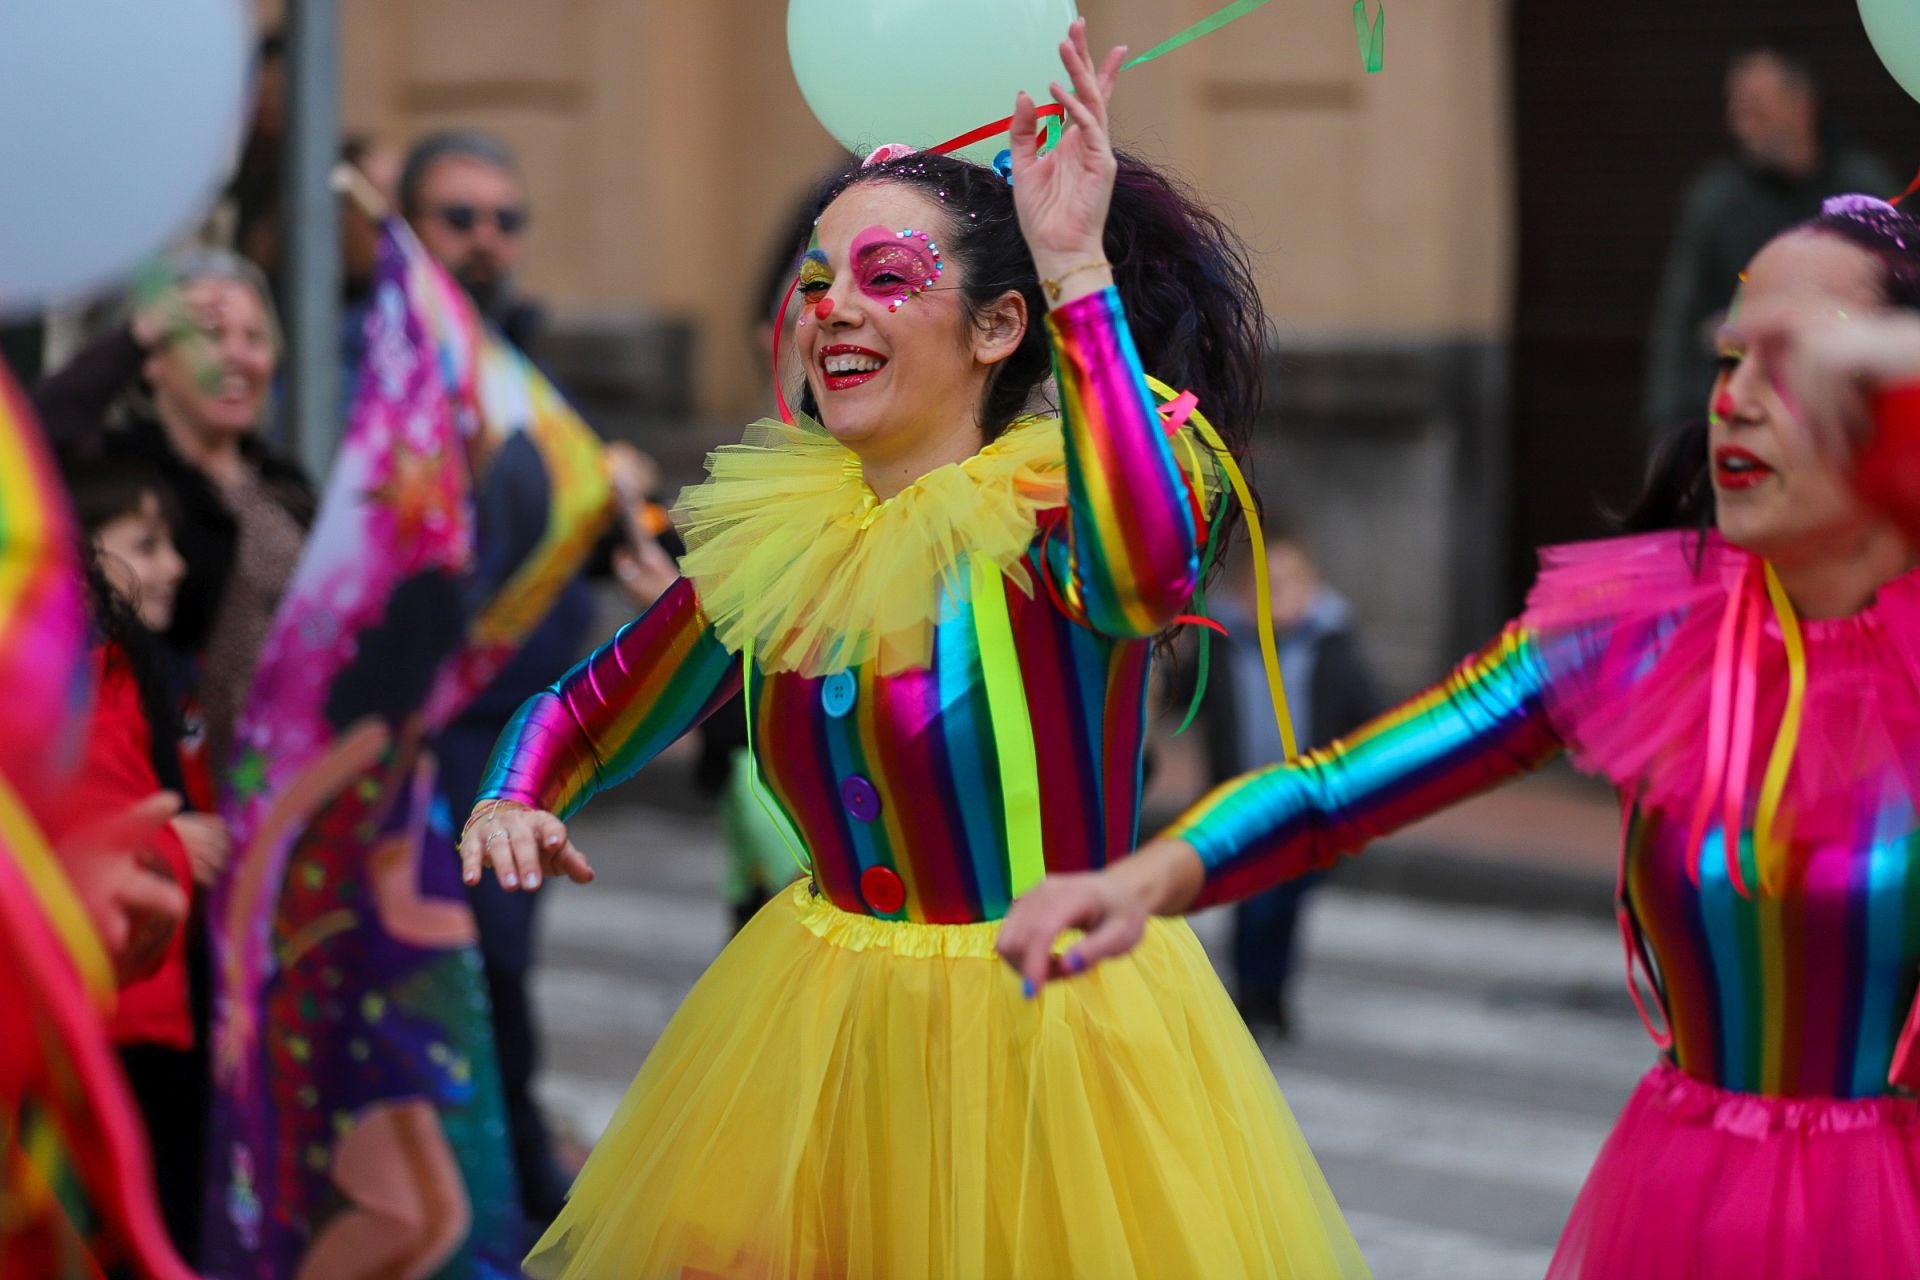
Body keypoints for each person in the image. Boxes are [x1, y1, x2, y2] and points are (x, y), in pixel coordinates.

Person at [460, 22, 1368, 1278]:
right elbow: (593, 707)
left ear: (999, 328)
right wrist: (516, 793)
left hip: (1053, 1046)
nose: (832, 305)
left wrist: (1075, 273)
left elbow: (1148, 572)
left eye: (884, 276)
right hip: (814, 1039)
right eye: (818, 276)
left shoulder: (1068, 491)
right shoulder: (785, 530)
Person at [1001, 193, 1920, 1279]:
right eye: (1729, 361)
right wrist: (1145, 879)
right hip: (1689, 1201)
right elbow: (1337, 790)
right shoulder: (1645, 632)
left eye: (1798, 363)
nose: (1738, 403)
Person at [33, 249, 313, 774]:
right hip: (166, 779)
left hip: (288, 792)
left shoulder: (285, 481)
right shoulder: (118, 471)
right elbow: (24, 446)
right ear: (154, 361)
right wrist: (134, 338)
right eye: (209, 334)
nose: (236, 356)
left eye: (254, 339)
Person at [63, 453, 229, 1263]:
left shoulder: (137, 669)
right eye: (146, 542)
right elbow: (64, 827)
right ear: (83, 552)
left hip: (156, 991)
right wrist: (167, 837)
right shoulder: (80, 676)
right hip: (116, 1000)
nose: (174, 565)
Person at [1643, 44, 1895, 439]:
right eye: (1737, 107)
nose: (1742, 123)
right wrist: (1669, 421)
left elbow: (1898, 300)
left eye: (1756, 106)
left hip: (1841, 414)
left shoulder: (1864, 188)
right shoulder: (1716, 201)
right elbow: (1680, 316)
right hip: (1742, 405)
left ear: (1802, 105)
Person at [1197, 526, 1379, 1039]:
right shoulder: (1225, 642)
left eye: (1288, 582)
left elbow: (1369, 713)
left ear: (1312, 586)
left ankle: (1271, 991)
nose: (1277, 596)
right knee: (1255, 899)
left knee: (1288, 902)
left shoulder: (1333, 647)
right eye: (1264, 584)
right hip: (1243, 799)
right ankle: (1254, 995)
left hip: (1310, 803)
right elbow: (1186, 698)